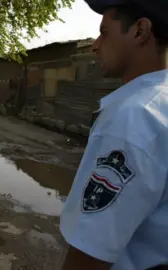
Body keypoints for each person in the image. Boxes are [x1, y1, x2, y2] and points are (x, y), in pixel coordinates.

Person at [60, 1, 168, 270]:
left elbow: (89, 252)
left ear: (140, 31)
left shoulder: (134, 116)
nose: (95, 45)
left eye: (105, 33)